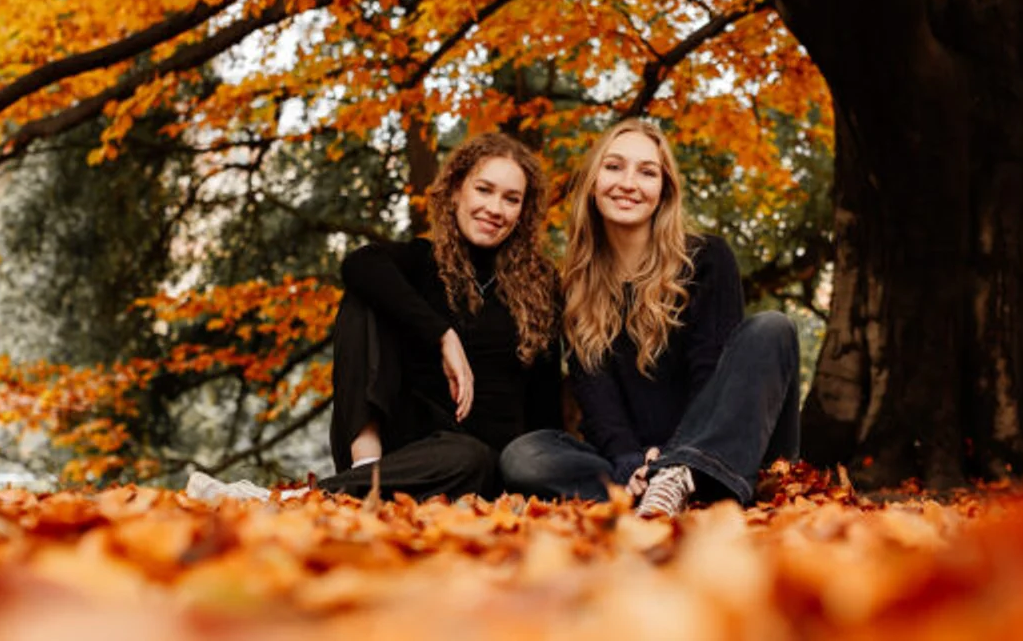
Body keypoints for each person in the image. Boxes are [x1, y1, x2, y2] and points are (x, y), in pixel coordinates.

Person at [187, 132, 562, 503]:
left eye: (511, 199)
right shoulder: (421, 261)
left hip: (474, 466)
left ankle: (305, 497)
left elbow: (546, 413)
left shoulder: (540, 287)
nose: (495, 209)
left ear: (523, 212)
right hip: (403, 448)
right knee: (366, 297)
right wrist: (443, 335)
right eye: (484, 190)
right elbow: (359, 263)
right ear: (455, 193)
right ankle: (364, 471)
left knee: (468, 456)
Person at [499, 118, 801, 517]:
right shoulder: (573, 289)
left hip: (719, 449)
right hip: (640, 463)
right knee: (524, 456)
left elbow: (711, 376)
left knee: (772, 328)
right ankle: (652, 492)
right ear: (592, 182)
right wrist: (630, 462)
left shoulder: (707, 259)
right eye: (613, 167)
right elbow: (599, 405)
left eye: (646, 172)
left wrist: (676, 458)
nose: (628, 182)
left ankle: (683, 480)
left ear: (663, 191)